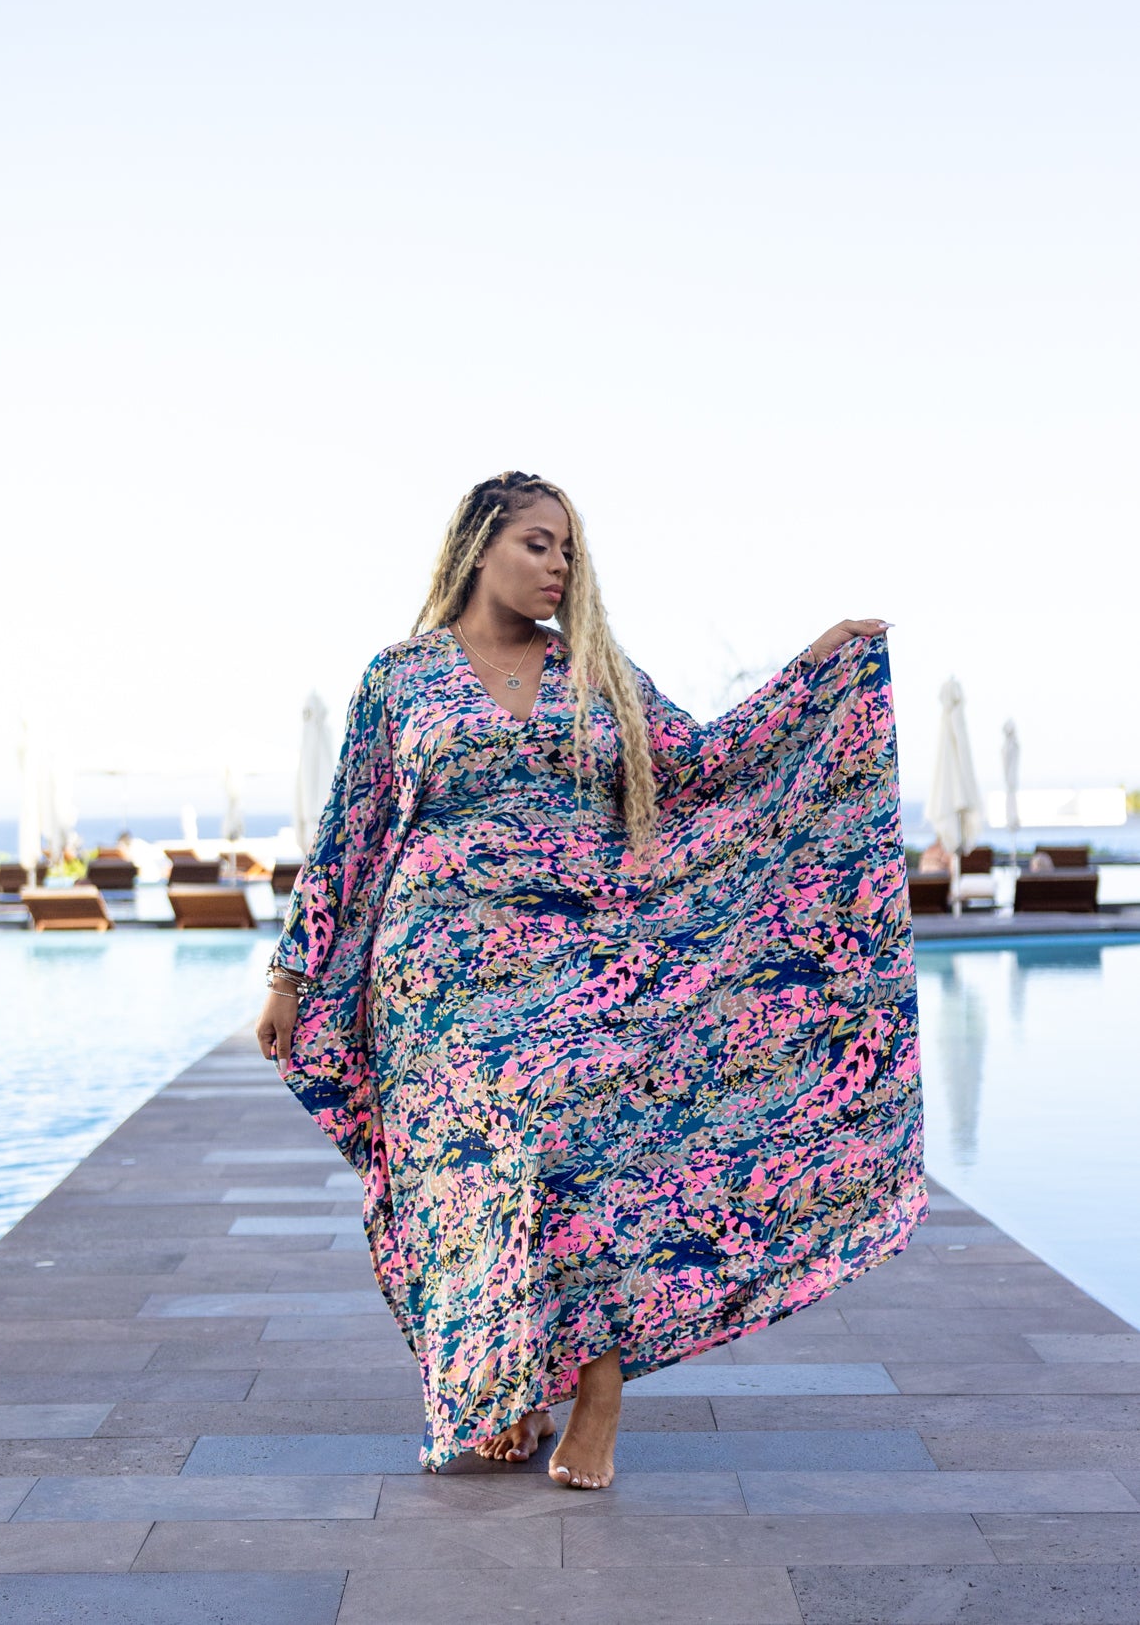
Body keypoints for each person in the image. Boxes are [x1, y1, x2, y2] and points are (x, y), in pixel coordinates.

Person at [255, 470, 927, 1490]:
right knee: (474, 1182)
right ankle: (508, 1388)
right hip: (437, 977)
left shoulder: (597, 673)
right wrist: (290, 975)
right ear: (478, 545)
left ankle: (598, 1389)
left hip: (581, 963)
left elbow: (707, 762)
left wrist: (813, 672)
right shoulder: (400, 676)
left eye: (567, 549)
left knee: (571, 1147)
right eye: (537, 543)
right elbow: (347, 830)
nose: (558, 566)